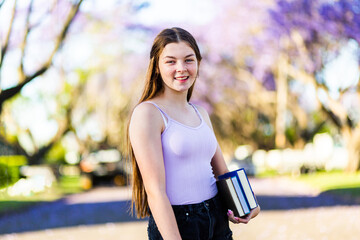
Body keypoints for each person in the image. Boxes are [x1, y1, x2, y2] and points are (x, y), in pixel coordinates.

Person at [127, 27, 260, 240]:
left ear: (198, 63)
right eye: (171, 61)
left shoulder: (201, 113)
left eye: (188, 60)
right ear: (157, 67)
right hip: (178, 223)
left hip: (216, 218)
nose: (181, 68)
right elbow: (155, 192)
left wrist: (248, 204)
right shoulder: (148, 113)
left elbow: (222, 172)